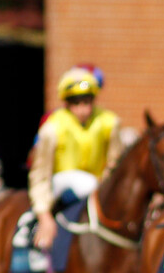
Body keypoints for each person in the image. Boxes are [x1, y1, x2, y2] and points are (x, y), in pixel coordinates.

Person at [28, 67, 122, 250]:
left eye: (88, 102)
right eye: (76, 103)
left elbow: (114, 163)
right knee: (84, 182)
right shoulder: (52, 128)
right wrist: (43, 214)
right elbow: (40, 174)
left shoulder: (110, 122)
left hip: (98, 188)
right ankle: (33, 234)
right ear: (67, 103)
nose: (83, 109)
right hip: (61, 185)